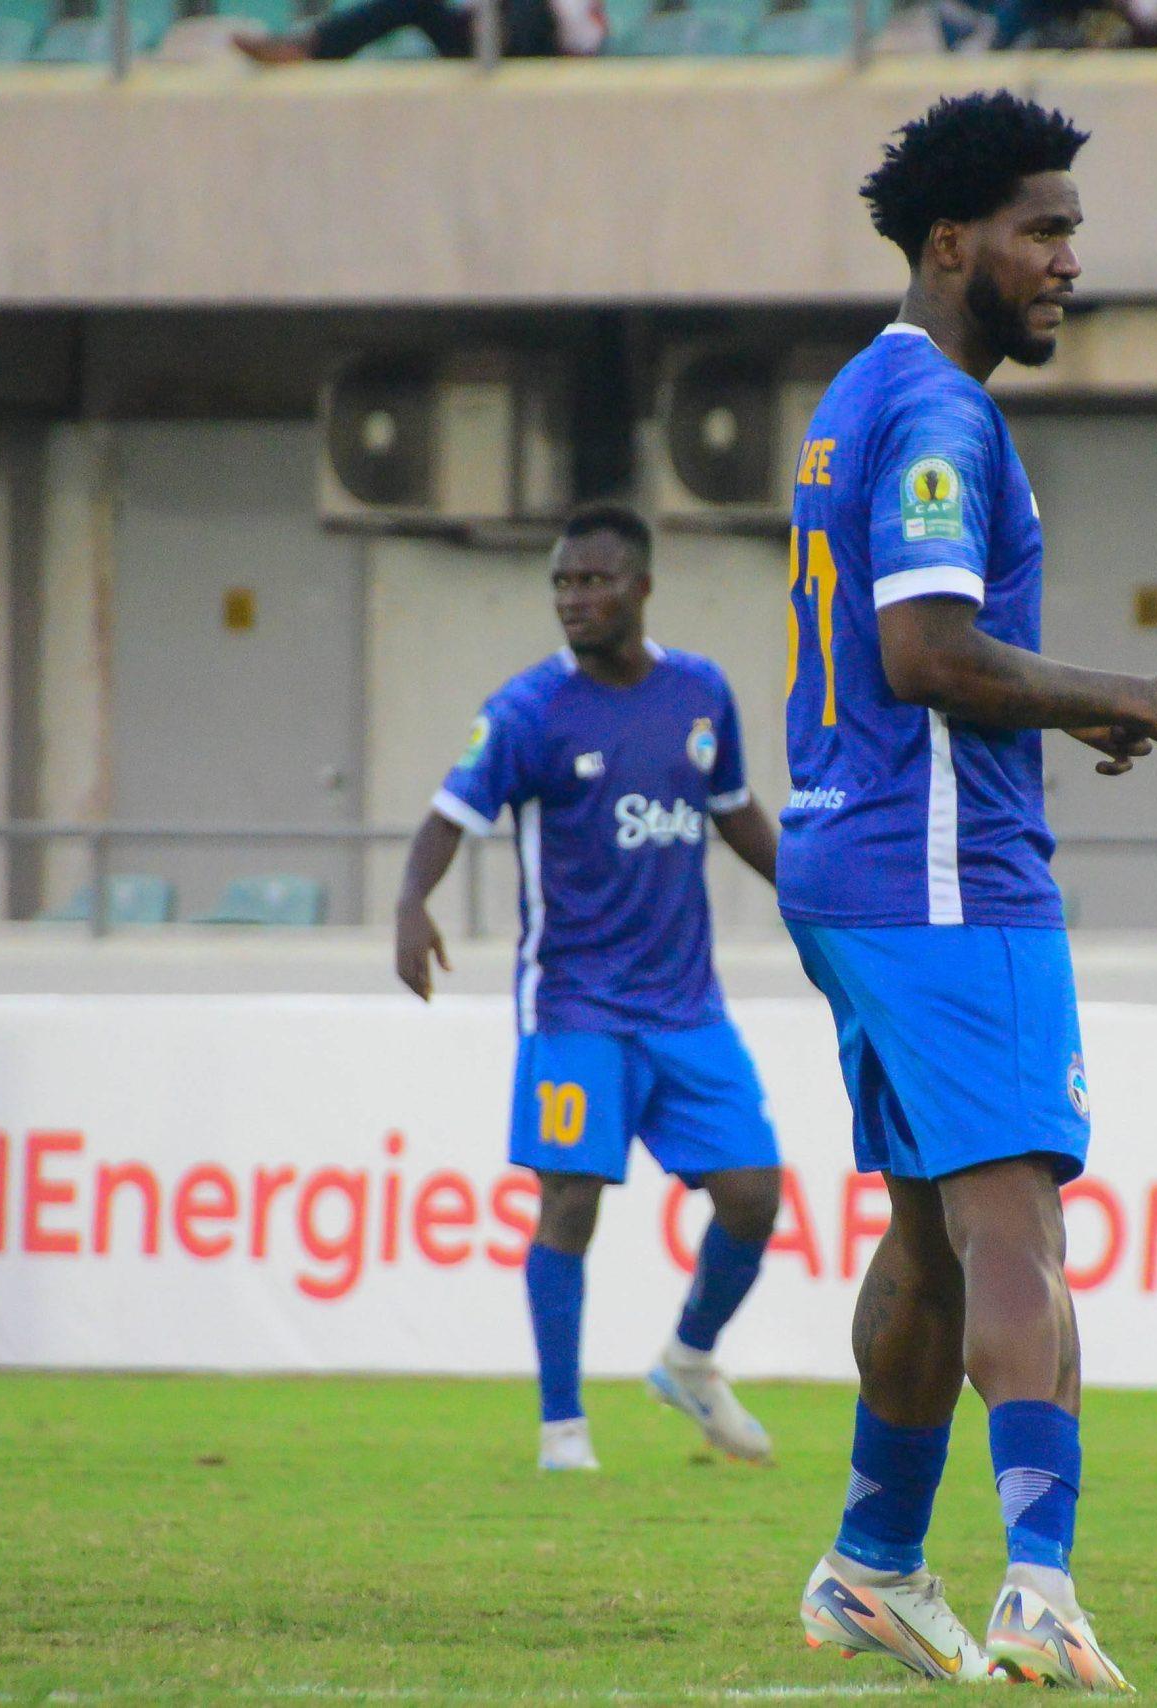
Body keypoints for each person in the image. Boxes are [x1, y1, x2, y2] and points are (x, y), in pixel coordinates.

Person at [781, 91, 1157, 1692]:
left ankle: (869, 1566)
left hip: (858, 863)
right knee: (1014, 1226)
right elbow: (926, 658)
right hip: (938, 880)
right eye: (1042, 232)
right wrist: (1134, 692)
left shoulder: (865, 392)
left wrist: (1070, 708)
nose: (1065, 263)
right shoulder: (939, 419)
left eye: (1072, 234)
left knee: (926, 1232)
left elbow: (925, 655)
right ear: (950, 242)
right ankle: (1038, 1591)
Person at [394, 503, 783, 1474]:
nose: (575, 598)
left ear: (641, 587)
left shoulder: (700, 693)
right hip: (573, 1008)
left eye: (595, 580)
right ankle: (562, 1429)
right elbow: (449, 816)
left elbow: (735, 815)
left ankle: (689, 1359)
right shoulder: (529, 712)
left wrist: (823, 902)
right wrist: (410, 903)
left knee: (752, 1192)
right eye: (563, 582)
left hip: (686, 1005)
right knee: (570, 1203)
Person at [233, 0, 600, 63]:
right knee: (414, 3)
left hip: (538, 48)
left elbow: (584, 35)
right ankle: (310, 48)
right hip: (482, 41)